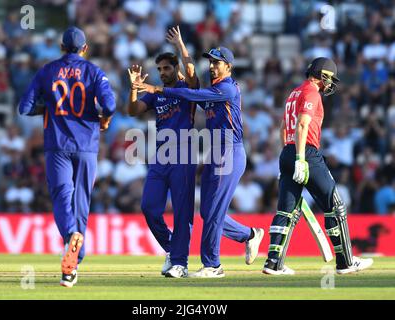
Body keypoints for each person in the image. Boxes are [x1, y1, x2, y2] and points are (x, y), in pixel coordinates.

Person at [134, 46, 264, 278]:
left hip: (229, 153)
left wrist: (159, 88)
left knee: (212, 212)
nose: (212, 66)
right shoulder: (215, 90)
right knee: (206, 212)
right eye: (211, 62)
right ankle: (250, 235)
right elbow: (194, 91)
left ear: (229, 66)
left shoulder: (227, 89)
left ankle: (213, 265)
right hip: (215, 153)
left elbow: (192, 93)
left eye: (217, 62)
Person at [19, 26, 116, 287]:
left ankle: (71, 240)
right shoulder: (94, 72)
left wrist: (49, 107)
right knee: (81, 201)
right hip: (86, 146)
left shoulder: (46, 71)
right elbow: (110, 105)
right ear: (85, 48)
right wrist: (103, 118)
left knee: (62, 197)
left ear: (61, 47)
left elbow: (24, 108)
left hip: (57, 145)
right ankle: (73, 262)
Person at [262, 57, 373, 275]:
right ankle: (346, 262)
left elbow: (284, 126)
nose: (331, 84)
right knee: (336, 206)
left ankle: (273, 263)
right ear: (323, 75)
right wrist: (300, 158)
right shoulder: (312, 92)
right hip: (306, 153)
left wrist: (288, 156)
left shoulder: (293, 92)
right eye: (330, 78)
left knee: (286, 210)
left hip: (287, 151)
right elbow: (302, 124)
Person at [127, 26, 198, 278]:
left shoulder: (187, 89)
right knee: (149, 207)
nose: (162, 73)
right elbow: (133, 111)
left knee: (182, 212)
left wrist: (180, 44)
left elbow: (191, 73)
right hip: (161, 156)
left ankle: (181, 263)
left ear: (175, 68)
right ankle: (172, 249)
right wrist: (135, 87)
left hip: (184, 154)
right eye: (159, 70)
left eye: (166, 68)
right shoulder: (157, 94)